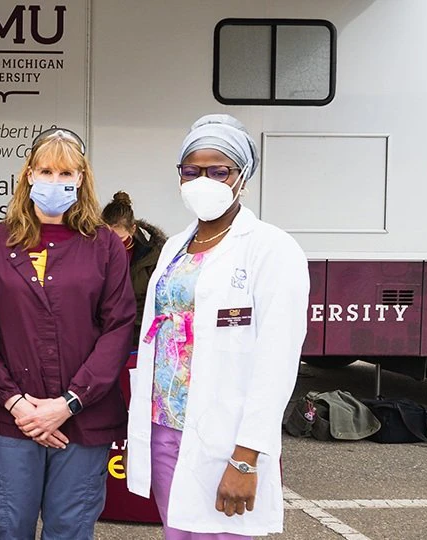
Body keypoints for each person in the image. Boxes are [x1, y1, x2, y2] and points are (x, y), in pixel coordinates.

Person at [125, 115, 309, 539]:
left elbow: (277, 361)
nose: (202, 180)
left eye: (218, 171)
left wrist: (246, 457)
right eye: (191, 171)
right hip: (165, 429)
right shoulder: (176, 246)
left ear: (241, 177)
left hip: (226, 440)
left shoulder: (272, 249)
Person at [0, 128, 137, 539]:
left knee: (70, 528)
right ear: (28, 174)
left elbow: (118, 327)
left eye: (66, 172)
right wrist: (16, 402)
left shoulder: (104, 246)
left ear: (81, 179)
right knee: (9, 527)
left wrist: (70, 402)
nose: (55, 181)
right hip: (16, 420)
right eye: (46, 170)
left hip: (84, 417)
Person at [103, 191, 167, 321]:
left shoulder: (154, 255)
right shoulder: (93, 252)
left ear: (132, 229)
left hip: (139, 328)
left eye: (120, 238)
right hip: (105, 325)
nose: (113, 244)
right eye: (108, 238)